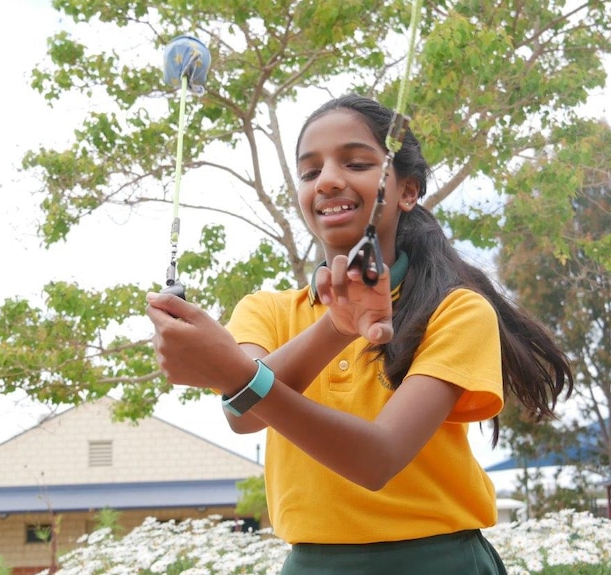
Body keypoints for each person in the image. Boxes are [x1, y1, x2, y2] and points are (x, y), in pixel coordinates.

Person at [146, 94, 573, 574]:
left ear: (407, 191)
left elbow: (378, 459)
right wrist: (333, 328)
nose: (327, 180)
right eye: (310, 172)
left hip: (439, 563)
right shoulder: (266, 310)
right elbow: (243, 416)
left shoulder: (456, 311)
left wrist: (234, 374)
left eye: (356, 162)